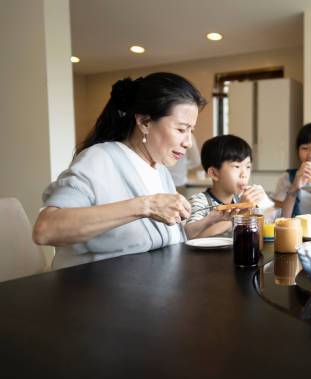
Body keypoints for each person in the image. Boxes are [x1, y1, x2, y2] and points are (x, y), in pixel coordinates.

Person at [32, 72, 223, 269]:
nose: (188, 142)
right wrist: (146, 206)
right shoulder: (99, 159)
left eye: (191, 130)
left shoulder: (159, 169)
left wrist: (214, 220)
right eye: (181, 129)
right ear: (144, 122)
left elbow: (169, 238)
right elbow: (45, 229)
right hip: (90, 292)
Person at [185, 135, 272, 239]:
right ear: (214, 174)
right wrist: (240, 214)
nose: (244, 174)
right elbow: (192, 236)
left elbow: (271, 221)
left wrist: (264, 205)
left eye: (248, 166)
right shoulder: (199, 202)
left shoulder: (240, 198)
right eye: (237, 166)